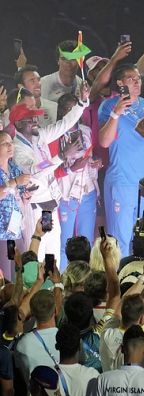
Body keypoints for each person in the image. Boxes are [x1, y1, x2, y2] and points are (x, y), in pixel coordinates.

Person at [12, 82, 89, 264]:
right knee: (35, 258)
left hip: (50, 208)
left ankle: (53, 289)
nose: (36, 121)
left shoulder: (39, 137)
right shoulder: (16, 148)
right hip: (35, 209)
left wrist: (81, 102)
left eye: (36, 117)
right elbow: (33, 171)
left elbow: (64, 124)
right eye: (31, 119)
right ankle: (36, 292)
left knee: (52, 257)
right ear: (19, 123)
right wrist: (61, 156)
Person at [98, 63, 144, 256]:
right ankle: (117, 284)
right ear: (120, 83)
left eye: (139, 78)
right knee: (120, 240)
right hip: (122, 181)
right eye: (132, 79)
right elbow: (104, 141)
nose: (137, 82)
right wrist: (116, 113)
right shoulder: (108, 106)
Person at [52, 93, 101, 270]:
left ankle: (84, 280)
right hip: (66, 196)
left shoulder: (86, 131)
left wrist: (95, 163)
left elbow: (90, 159)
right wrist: (70, 168)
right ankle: (63, 282)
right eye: (67, 109)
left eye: (75, 108)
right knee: (64, 241)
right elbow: (48, 171)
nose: (71, 113)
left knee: (85, 240)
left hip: (87, 193)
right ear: (60, 111)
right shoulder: (53, 135)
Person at [0, 130, 30, 277]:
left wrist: (26, 195)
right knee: (7, 278)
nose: (10, 146)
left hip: (15, 228)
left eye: (11, 143)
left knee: (20, 272)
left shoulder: (14, 168)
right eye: (5, 143)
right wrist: (14, 182)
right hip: (1, 232)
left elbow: (22, 190)